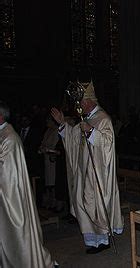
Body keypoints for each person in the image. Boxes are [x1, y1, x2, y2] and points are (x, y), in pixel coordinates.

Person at [51, 80, 124, 254]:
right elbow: (74, 139)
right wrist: (62, 124)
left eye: (81, 103)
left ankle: (103, 238)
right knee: (82, 201)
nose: (78, 107)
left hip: (98, 171)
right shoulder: (87, 119)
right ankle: (92, 240)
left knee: (96, 203)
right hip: (84, 171)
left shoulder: (102, 119)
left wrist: (92, 132)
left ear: (89, 101)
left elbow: (108, 144)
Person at [0, 101, 55, 267]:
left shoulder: (9, 138)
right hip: (6, 193)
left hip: (11, 195)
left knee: (17, 232)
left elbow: (6, 171)